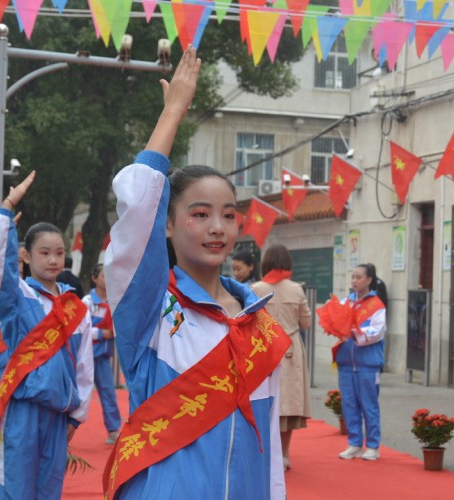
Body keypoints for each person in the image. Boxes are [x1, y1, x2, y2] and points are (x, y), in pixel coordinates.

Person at [102, 46, 290, 499]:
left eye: (228, 215)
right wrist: (173, 115)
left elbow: (269, 452)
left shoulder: (259, 324)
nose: (216, 228)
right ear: (166, 223)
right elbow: (135, 216)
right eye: (199, 214)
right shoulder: (150, 308)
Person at [0, 171, 94, 499]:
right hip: (20, 411)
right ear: (26, 257)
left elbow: (83, 369)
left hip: (58, 416)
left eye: (59, 253)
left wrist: (77, 417)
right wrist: (6, 209)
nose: (53, 260)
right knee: (14, 488)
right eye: (44, 253)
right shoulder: (17, 298)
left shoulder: (77, 310)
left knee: (48, 490)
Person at [251, 244, 311, 472]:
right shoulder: (296, 289)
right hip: (290, 349)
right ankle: (285, 455)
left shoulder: (257, 288)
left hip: (263, 348)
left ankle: (265, 452)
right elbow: (305, 322)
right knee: (289, 402)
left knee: (263, 400)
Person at [335, 263, 387, 461]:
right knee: (349, 404)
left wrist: (355, 333)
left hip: (368, 364)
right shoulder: (345, 302)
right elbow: (335, 322)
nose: (354, 281)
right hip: (346, 363)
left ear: (369, 279)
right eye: (353, 277)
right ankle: (354, 443)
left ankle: (373, 446)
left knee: (369, 405)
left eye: (358, 277)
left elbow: (377, 331)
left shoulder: (376, 305)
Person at [82, 262, 122, 445]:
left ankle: (114, 430)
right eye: (104, 275)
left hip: (103, 357)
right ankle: (62, 430)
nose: (108, 279)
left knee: (108, 392)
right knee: (77, 394)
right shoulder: (87, 302)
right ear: (94, 278)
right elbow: (80, 329)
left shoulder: (115, 301)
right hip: (84, 357)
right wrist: (101, 333)